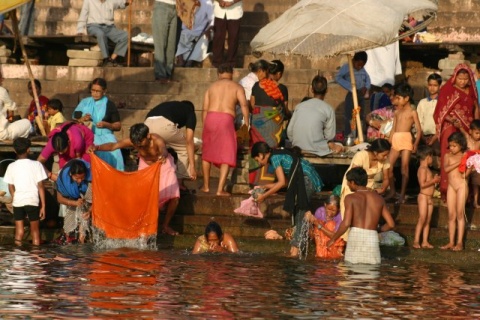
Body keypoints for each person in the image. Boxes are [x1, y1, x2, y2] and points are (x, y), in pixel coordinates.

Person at [92, 123, 181, 235]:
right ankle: (143, 227)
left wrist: (162, 157)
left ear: (148, 136)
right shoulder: (134, 141)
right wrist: (97, 147)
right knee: (142, 196)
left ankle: (166, 226)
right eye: (136, 144)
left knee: (175, 196)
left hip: (163, 164)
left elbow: (164, 150)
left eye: (140, 142)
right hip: (145, 166)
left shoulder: (157, 139)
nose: (138, 146)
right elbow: (113, 146)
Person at [251, 142, 323, 257]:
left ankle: (295, 250)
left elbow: (280, 183)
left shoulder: (274, 158)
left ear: (261, 155)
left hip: (306, 180)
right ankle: (298, 248)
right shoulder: (276, 154)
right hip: (308, 179)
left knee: (300, 213)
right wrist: (264, 187)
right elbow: (284, 182)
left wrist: (264, 196)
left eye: (257, 160)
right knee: (300, 213)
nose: (259, 163)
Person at [327, 167, 395, 264]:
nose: (347, 184)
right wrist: (378, 230)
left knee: (353, 274)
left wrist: (333, 239)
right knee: (371, 274)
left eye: (348, 182)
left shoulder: (350, 198)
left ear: (353, 182)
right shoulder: (379, 199)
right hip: (372, 237)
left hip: (355, 237)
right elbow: (391, 224)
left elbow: (346, 223)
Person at [201, 64, 249, 196]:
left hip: (210, 117)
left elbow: (204, 109)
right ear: (232, 73)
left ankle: (205, 186)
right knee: (227, 154)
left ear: (218, 73)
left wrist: (205, 125)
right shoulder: (236, 87)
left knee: (207, 152)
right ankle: (219, 189)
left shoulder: (211, 87)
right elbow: (244, 105)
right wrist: (247, 123)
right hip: (226, 119)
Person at [434, 64, 478, 200]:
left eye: (466, 79)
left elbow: (476, 107)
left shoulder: (471, 90)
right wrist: (452, 120)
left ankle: (467, 194)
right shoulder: (447, 89)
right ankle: (447, 192)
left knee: (467, 157)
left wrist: (476, 125)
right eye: (460, 78)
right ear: (455, 77)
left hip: (467, 129)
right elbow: (440, 110)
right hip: (450, 127)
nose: (463, 81)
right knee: (450, 155)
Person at [339, 139, 391, 237]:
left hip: (369, 187)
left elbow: (386, 178)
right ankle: (345, 242)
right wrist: (366, 191)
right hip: (352, 185)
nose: (386, 157)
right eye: (384, 155)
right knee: (349, 217)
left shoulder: (385, 160)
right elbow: (354, 176)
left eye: (387, 155)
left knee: (365, 216)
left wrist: (383, 189)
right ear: (375, 152)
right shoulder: (361, 156)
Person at [144, 100, 197, 191]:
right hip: (164, 125)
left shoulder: (172, 106)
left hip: (147, 123)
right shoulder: (190, 111)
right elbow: (189, 141)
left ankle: (151, 180)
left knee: (156, 151)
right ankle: (179, 182)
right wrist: (192, 166)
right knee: (184, 148)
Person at [73, 78, 124, 171]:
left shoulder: (109, 104)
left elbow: (118, 125)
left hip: (106, 136)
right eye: (93, 90)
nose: (95, 93)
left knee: (114, 152)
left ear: (104, 91)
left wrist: (107, 125)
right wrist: (83, 119)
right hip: (88, 134)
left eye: (98, 91)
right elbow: (75, 120)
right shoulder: (84, 103)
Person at [4, 138, 47, 246]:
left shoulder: (11, 166)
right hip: (32, 200)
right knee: (35, 232)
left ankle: (18, 258)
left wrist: (15, 198)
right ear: (28, 150)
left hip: (18, 202)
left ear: (14, 150)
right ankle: (36, 257)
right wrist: (43, 206)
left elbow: (10, 186)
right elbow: (41, 186)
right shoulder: (37, 165)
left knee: (19, 232)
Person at [287, 75, 342, 156]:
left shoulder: (299, 106)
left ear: (312, 89)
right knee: (339, 146)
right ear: (326, 90)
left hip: (297, 148)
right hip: (317, 150)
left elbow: (289, 131)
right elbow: (329, 136)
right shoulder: (328, 109)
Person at [385, 83, 422, 204]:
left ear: (406, 98)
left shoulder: (412, 112)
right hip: (396, 139)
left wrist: (415, 144)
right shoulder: (397, 112)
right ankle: (392, 191)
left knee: (404, 168)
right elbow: (394, 128)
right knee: (387, 166)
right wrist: (390, 139)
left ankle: (402, 194)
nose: (396, 100)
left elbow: (419, 130)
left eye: (398, 98)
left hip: (406, 138)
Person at [77, 0, 130, 67]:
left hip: (109, 28)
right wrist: (80, 30)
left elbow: (121, 3)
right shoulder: (88, 1)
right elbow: (83, 16)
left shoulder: (111, 1)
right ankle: (106, 58)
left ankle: (112, 59)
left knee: (125, 35)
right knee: (100, 34)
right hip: (94, 26)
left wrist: (127, 2)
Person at [55, 159, 92, 245]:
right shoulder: (63, 179)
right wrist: (74, 203)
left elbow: (97, 199)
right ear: (71, 175)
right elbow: (59, 199)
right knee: (69, 227)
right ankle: (70, 237)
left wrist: (89, 211)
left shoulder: (91, 177)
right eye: (77, 178)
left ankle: (82, 239)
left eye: (82, 178)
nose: (79, 180)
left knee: (84, 217)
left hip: (86, 198)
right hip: (71, 200)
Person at [441, 132, 468, 251]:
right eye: (450, 146)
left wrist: (469, 166)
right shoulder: (448, 156)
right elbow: (446, 169)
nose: (451, 148)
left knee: (460, 214)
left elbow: (465, 174)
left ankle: (460, 242)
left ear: (461, 145)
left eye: (454, 146)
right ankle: (451, 242)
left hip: (461, 185)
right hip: (451, 186)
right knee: (451, 215)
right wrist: (459, 161)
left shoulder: (466, 155)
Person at [335, 51, 371, 137]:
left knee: (360, 116)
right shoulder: (347, 67)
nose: (360, 67)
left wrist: (366, 87)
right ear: (354, 61)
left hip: (361, 95)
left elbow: (368, 79)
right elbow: (338, 77)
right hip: (351, 95)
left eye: (362, 65)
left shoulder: (363, 69)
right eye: (358, 65)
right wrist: (351, 87)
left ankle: (359, 136)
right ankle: (349, 136)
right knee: (350, 117)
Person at [414, 146, 440, 249]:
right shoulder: (422, 169)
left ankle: (425, 241)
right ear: (428, 157)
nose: (432, 159)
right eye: (432, 157)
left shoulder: (427, 169)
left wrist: (434, 180)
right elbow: (422, 184)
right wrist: (433, 181)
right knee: (422, 218)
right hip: (423, 197)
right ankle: (416, 240)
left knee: (428, 220)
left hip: (429, 198)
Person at [175, 0, 214, 67]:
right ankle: (180, 60)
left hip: (201, 31)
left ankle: (190, 61)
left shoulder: (207, 2)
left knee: (204, 40)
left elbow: (212, 19)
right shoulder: (185, 1)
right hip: (186, 30)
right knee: (177, 36)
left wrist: (208, 30)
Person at [305, 195, 345, 259]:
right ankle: (321, 253)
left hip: (334, 240)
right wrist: (309, 221)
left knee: (330, 224)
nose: (330, 213)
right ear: (325, 205)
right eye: (328, 209)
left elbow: (334, 236)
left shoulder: (340, 217)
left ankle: (330, 254)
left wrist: (319, 226)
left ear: (338, 209)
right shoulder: (320, 211)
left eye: (333, 210)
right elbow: (314, 230)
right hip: (321, 241)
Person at [0, 71, 32, 140]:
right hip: (2, 134)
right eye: (1, 77)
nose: (3, 79)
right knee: (27, 123)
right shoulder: (2, 91)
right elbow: (12, 108)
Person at [211, 0, 243, 68]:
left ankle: (231, 63)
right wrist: (219, 1)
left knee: (233, 38)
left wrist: (232, 2)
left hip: (235, 11)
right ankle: (217, 62)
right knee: (218, 37)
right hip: (219, 11)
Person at [456, 120, 480, 207]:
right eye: (477, 133)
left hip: (475, 167)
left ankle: (475, 202)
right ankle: (463, 201)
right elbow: (463, 130)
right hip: (466, 166)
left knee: (476, 184)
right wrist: (459, 126)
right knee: (464, 182)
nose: (478, 135)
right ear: (471, 131)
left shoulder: (479, 142)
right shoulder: (467, 138)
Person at [152, 0, 177, 82]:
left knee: (171, 44)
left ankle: (168, 72)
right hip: (162, 5)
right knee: (160, 43)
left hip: (174, 7)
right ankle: (160, 74)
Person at [417, 73, 442, 154]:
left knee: (437, 156)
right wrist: (422, 136)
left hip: (438, 136)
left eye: (435, 85)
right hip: (424, 136)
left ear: (439, 86)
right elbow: (419, 121)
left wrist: (435, 137)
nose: (432, 88)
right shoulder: (422, 102)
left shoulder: (442, 102)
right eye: (430, 85)